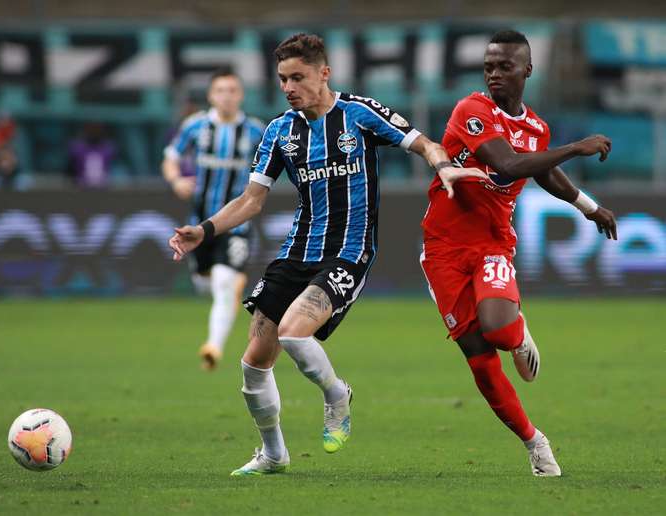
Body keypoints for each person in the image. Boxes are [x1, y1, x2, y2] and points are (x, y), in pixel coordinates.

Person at [169, 33, 486, 476]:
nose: (288, 87)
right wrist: (203, 230)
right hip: (297, 251)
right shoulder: (280, 130)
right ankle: (273, 454)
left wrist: (443, 163)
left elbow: (424, 143)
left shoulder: (359, 114)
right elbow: (250, 200)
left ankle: (337, 395)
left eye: (297, 77)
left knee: (297, 334)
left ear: (324, 73)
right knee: (253, 363)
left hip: (349, 251)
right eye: (282, 79)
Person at [419, 29, 618, 477]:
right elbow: (509, 165)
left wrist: (588, 207)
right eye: (488, 66)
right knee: (478, 355)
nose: (494, 74)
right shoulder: (471, 110)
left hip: (491, 242)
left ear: (527, 70)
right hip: (443, 249)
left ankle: (516, 329)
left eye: (504, 67)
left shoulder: (536, 128)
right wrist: (574, 148)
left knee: (498, 330)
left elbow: (543, 172)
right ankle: (534, 441)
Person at [162, 68, 266, 370]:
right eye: (220, 90)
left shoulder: (255, 131)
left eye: (232, 90)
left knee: (223, 282)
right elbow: (170, 157)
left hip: (237, 224)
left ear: (241, 95)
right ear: (211, 95)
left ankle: (213, 348)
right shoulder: (195, 127)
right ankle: (231, 288)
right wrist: (176, 180)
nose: (227, 96)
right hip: (199, 225)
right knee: (205, 284)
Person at [66, 122, 116, 189]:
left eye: (97, 129)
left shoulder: (108, 148)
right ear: (86, 130)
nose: (94, 132)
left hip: (103, 186)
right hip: (81, 186)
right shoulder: (77, 148)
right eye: (92, 129)